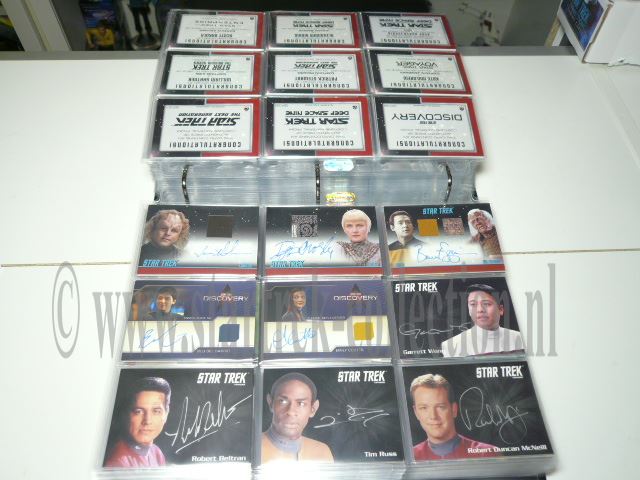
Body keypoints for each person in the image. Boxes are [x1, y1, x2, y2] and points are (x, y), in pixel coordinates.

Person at [410, 373, 499, 460]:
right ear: (416, 412)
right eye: (424, 408)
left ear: (454, 409)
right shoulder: (411, 457)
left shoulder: (487, 454)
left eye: (440, 407)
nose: (433, 416)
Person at [262, 373, 333, 463]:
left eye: (301, 403)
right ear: (270, 403)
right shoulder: (251, 446)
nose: (291, 412)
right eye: (282, 401)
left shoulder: (322, 452)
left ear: (313, 409)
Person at [441, 284, 524, 357]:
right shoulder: (452, 345)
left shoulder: (521, 339)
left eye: (486, 304)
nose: (480, 310)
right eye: (473, 304)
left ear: (500, 309)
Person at [104, 377, 171, 468]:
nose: (147, 421)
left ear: (166, 414)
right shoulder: (119, 462)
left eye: (156, 411)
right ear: (126, 414)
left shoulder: (156, 453)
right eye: (138, 411)